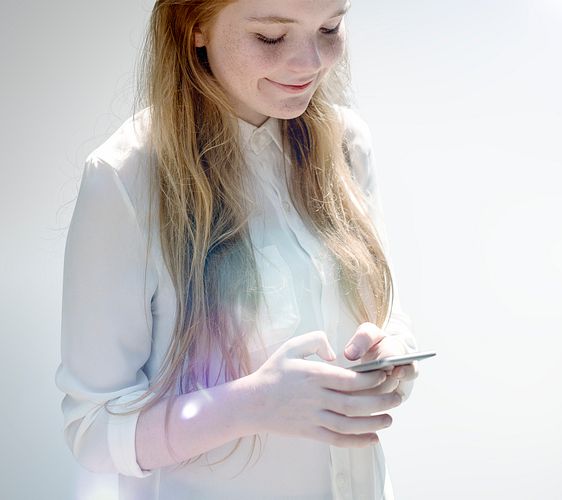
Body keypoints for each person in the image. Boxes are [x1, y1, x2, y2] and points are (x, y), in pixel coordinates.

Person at [54, 0, 421, 498]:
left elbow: (386, 313)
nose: (311, 61)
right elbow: (94, 430)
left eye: (330, 28)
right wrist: (254, 403)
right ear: (196, 24)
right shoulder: (126, 178)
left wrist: (390, 355)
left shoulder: (347, 143)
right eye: (271, 37)